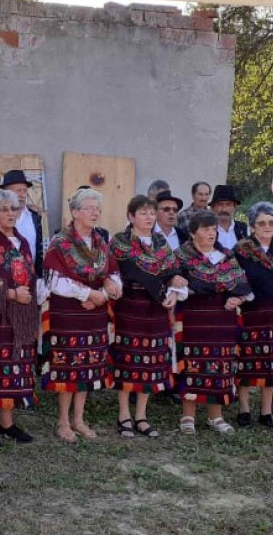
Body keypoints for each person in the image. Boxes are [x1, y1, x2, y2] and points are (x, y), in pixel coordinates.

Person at [41, 188, 121, 443]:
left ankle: (79, 419)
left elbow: (112, 273)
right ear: (75, 212)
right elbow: (54, 281)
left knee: (88, 365)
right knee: (69, 366)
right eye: (89, 208)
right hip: (68, 314)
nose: (95, 213)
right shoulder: (60, 243)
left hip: (93, 313)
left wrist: (104, 292)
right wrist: (88, 293)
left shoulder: (100, 242)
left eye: (97, 208)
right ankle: (63, 421)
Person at [109, 195, 186, 439]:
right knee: (127, 361)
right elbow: (111, 273)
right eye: (143, 213)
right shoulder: (119, 242)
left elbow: (173, 273)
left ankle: (141, 416)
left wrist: (174, 290)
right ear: (131, 216)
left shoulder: (161, 243)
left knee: (150, 362)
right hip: (129, 307)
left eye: (152, 213)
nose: (149, 217)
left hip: (156, 309)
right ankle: (124, 415)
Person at [0, 189, 41, 447]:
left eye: (14, 209)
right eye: (4, 209)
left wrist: (29, 296)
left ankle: (8, 423)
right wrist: (12, 294)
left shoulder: (22, 242)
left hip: (22, 315)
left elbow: (30, 274)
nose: (10, 214)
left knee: (16, 365)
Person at [176, 210, 253, 435]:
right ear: (192, 233)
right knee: (192, 364)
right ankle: (188, 415)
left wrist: (237, 298)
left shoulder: (227, 256)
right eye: (205, 229)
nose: (211, 233)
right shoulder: (181, 256)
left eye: (213, 229)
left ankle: (215, 416)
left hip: (222, 320)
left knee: (220, 364)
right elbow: (175, 284)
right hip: (194, 318)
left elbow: (242, 284)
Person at [233, 202, 273, 429]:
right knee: (246, 361)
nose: (267, 227)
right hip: (250, 310)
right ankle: (244, 408)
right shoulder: (241, 250)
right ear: (252, 226)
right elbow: (235, 277)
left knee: (272, 362)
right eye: (262, 223)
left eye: (271, 223)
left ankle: (266, 411)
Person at [0, 169, 45, 278]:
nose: (22, 195)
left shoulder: (34, 217)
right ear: (6, 193)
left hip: (31, 277)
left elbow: (38, 249)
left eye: (24, 191)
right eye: (18, 191)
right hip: (4, 278)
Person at [209, 184, 247, 250]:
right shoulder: (206, 230)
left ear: (235, 207)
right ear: (213, 207)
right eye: (220, 204)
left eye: (228, 204)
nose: (224, 209)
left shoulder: (243, 229)